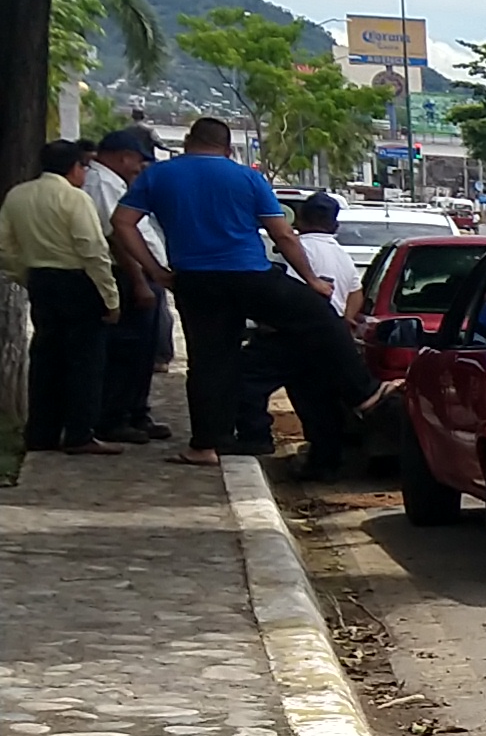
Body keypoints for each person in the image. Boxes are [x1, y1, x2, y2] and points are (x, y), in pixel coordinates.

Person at [112, 116, 373, 475]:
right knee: (318, 317)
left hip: (194, 279)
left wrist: (154, 271)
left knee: (208, 362)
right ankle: (364, 392)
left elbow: (122, 222)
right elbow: (282, 234)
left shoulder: (158, 176)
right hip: (249, 274)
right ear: (227, 147)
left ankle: (205, 444)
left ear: (189, 141)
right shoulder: (247, 177)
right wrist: (311, 280)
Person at [6, 140, 120, 451]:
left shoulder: (17, 195)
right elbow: (93, 251)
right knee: (85, 361)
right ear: (74, 167)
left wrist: (24, 274)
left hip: (40, 279)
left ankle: (41, 433)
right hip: (77, 281)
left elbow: (4, 245)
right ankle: (79, 433)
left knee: (45, 356)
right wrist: (110, 297)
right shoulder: (75, 199)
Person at [87, 122, 173, 442]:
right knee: (125, 349)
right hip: (127, 273)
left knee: (143, 350)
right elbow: (117, 237)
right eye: (138, 160)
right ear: (124, 157)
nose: (141, 167)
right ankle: (115, 416)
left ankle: (136, 411)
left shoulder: (116, 182)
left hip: (144, 272)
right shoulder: (102, 184)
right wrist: (138, 279)